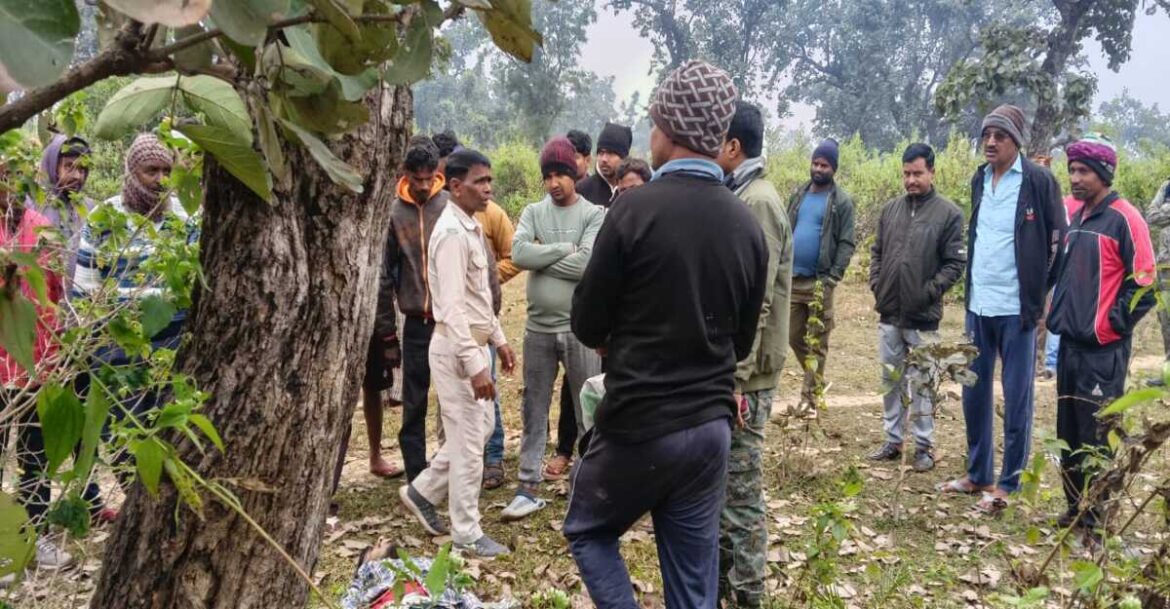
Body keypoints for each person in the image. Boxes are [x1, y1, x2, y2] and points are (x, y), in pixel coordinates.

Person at [565, 60, 768, 609]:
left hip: (640, 422)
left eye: (654, 123)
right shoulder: (746, 224)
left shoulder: (632, 212)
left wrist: (621, 336)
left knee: (587, 528)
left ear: (668, 129)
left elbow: (586, 322)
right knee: (692, 575)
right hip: (709, 431)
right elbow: (741, 343)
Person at [938, 104, 1066, 514]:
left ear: (1018, 141)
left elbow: (1056, 242)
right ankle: (978, 473)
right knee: (973, 392)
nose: (991, 142)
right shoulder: (980, 179)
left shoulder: (1039, 181)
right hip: (979, 304)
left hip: (1017, 309)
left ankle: (1009, 483)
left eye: (1001, 136)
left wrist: (1038, 294)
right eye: (987, 134)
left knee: (1017, 396)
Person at [398, 149, 517, 558]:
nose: (488, 188)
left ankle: (423, 490)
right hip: (455, 350)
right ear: (455, 185)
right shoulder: (450, 233)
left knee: (480, 430)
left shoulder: (468, 226)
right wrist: (474, 363)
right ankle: (467, 532)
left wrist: (499, 340)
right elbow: (449, 307)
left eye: (489, 180)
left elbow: (478, 298)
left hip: (475, 344)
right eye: (480, 181)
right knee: (468, 442)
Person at [73, 133, 195, 523]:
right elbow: (85, 283)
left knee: (169, 426)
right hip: (118, 340)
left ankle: (166, 506)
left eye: (165, 171)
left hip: (172, 339)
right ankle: (141, 503)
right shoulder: (105, 217)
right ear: (132, 170)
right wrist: (89, 334)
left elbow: (195, 277)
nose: (159, 179)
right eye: (150, 170)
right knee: (124, 430)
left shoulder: (183, 214)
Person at [1047, 135, 1155, 533]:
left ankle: (1095, 516)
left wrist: (1112, 324)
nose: (1075, 178)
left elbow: (1145, 284)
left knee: (1097, 432)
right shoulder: (1076, 215)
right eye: (1072, 170)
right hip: (1070, 344)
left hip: (1103, 350)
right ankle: (1074, 508)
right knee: (1069, 428)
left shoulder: (1126, 218)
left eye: (1084, 172)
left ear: (1104, 174)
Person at [714, 101, 793, 609]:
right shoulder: (742, 194)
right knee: (725, 496)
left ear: (733, 147)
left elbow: (756, 298)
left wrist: (736, 379)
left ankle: (747, 597)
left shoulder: (758, 202)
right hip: (741, 372)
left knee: (740, 500)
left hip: (750, 376)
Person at [501, 137, 604, 521]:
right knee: (534, 406)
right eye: (548, 175)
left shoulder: (594, 214)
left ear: (575, 172)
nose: (554, 182)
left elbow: (587, 266)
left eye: (560, 173)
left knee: (587, 407)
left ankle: (590, 481)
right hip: (538, 329)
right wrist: (566, 250)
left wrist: (543, 256)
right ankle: (527, 484)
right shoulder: (532, 211)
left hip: (580, 329)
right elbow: (519, 254)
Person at [867, 143, 966, 473]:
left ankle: (924, 446)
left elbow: (954, 264)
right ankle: (893, 440)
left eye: (917, 173)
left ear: (932, 172)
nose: (911, 180)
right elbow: (877, 252)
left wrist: (929, 292)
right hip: (889, 311)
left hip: (923, 316)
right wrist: (877, 283)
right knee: (890, 379)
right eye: (907, 174)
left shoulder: (948, 214)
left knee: (922, 382)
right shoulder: (890, 210)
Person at [0, 157, 72, 570]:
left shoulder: (40, 227)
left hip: (36, 367)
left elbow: (55, 291)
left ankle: (36, 536)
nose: (9, 184)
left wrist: (56, 352)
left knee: (35, 458)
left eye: (15, 175)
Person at [383, 137, 450, 482]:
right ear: (405, 174)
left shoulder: (451, 206)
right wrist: (387, 333)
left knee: (455, 402)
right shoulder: (393, 213)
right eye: (416, 178)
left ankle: (454, 471)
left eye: (429, 178)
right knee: (414, 403)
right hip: (416, 324)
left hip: (451, 323)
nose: (423, 186)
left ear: (437, 173)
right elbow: (383, 276)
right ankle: (416, 477)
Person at [787, 138, 855, 417]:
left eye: (824, 165)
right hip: (793, 279)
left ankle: (809, 401)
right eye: (815, 163)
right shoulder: (799, 194)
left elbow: (846, 242)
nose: (818, 168)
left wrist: (832, 278)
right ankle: (817, 383)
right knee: (793, 337)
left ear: (834, 169)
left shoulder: (841, 202)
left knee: (817, 342)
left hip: (819, 283)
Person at [31, 134, 92, 286]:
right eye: (69, 167)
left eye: (82, 169)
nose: (77, 176)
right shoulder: (32, 205)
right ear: (53, 167)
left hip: (81, 304)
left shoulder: (91, 209)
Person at [1144, 177, 1170, 385]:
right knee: (1166, 320)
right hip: (1166, 270)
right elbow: (1152, 217)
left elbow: (1154, 214)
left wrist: (1164, 198)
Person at [576, 121, 632, 207]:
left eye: (611, 153)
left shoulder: (633, 190)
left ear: (624, 157)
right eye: (601, 153)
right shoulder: (582, 190)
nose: (604, 159)